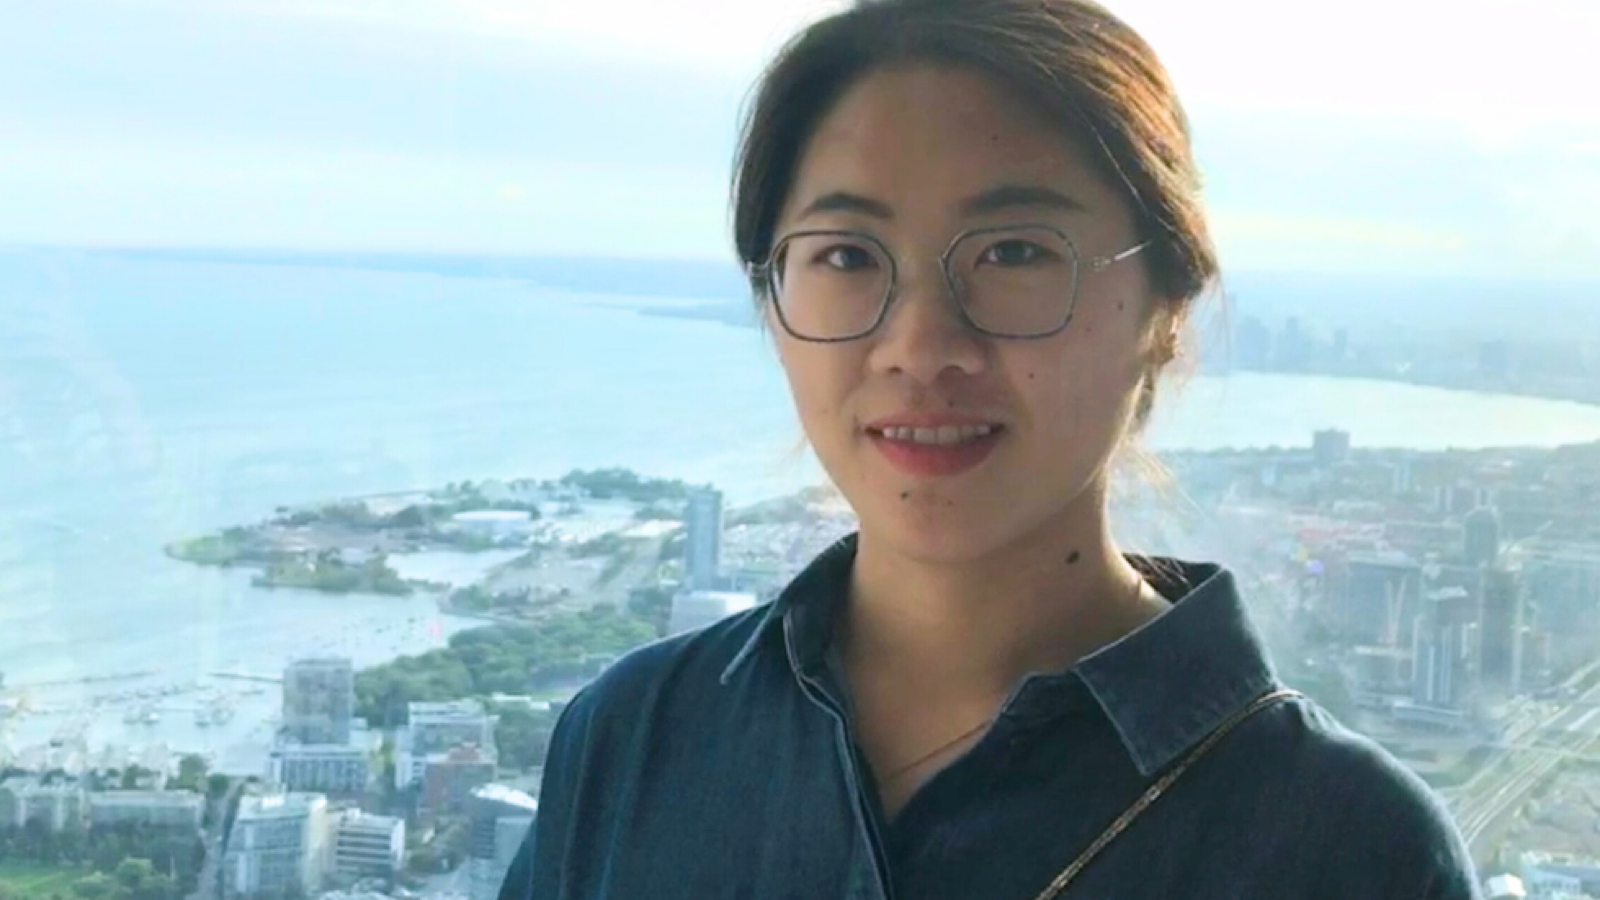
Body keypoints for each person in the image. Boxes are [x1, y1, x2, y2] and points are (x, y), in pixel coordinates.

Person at [501, 0, 1482, 897]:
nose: (920, 348)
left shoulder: (1346, 847)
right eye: (844, 257)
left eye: (1014, 252)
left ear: (1165, 307)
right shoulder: (635, 740)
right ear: (773, 302)